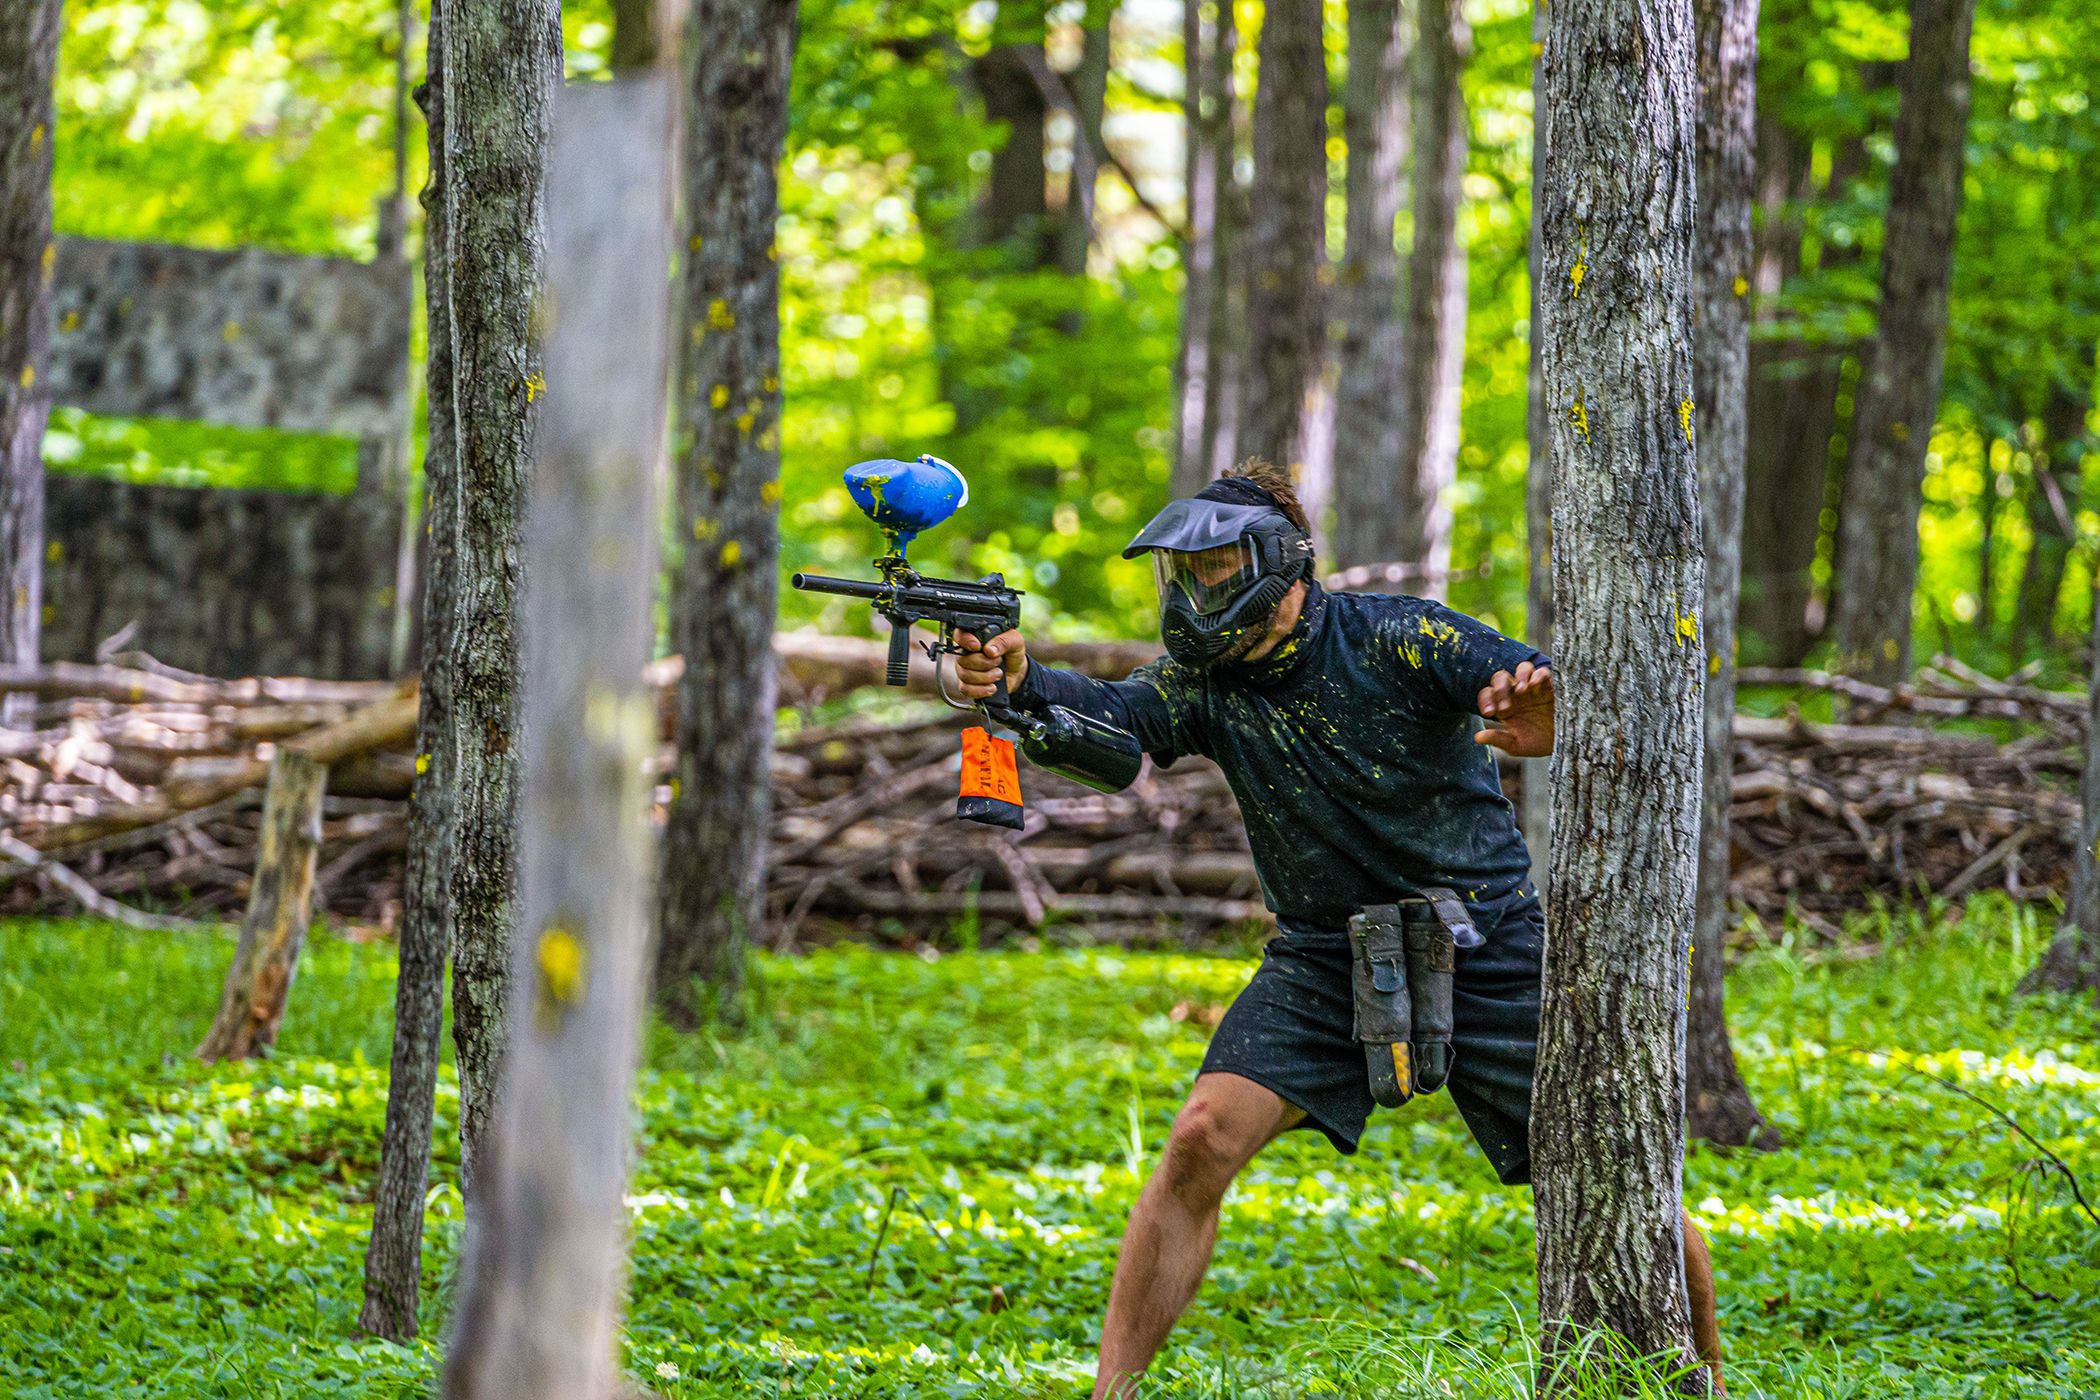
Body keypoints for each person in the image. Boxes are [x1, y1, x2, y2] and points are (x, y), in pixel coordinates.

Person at [954, 461, 1725, 1398]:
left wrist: (1549, 714)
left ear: (1280, 562)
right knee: (1200, 1139)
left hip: (1481, 945)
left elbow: (1533, 687)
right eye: (1185, 574)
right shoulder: (1207, 682)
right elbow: (1114, 720)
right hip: (1323, 956)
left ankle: (1705, 1383)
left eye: (1217, 570)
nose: (1198, 592)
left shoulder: (1402, 635)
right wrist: (1022, 680)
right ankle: (1110, 1393)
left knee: (1611, 1170)